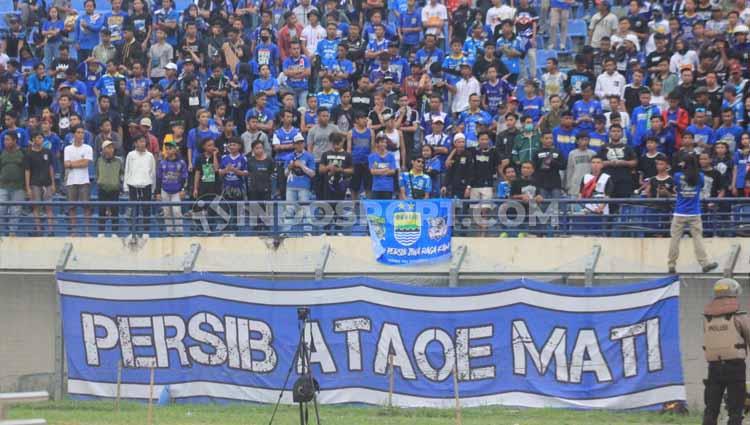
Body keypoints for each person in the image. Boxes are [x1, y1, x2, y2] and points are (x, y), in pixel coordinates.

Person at [701, 278, 750, 425]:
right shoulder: (739, 316)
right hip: (735, 367)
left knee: (711, 409)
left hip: (714, 368)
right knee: (736, 409)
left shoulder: (707, 318)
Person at [667, 155, 718, 274]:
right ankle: (704, 263)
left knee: (675, 239)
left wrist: (678, 166)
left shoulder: (678, 176)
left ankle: (671, 264)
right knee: (698, 238)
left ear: (684, 163)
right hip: (694, 212)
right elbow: (701, 187)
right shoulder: (700, 176)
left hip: (679, 212)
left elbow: (674, 183)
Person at [63, 125, 93, 234]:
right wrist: (79, 162)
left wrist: (72, 164)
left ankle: (87, 231)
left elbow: (85, 164)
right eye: (78, 132)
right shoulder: (67, 148)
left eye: (82, 132)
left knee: (86, 207)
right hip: (71, 181)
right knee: (71, 207)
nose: (81, 134)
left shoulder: (88, 148)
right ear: (74, 134)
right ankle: (73, 231)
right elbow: (66, 164)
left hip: (84, 181)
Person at [124, 134, 156, 236]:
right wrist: (126, 185)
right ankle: (133, 231)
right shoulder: (131, 155)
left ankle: (146, 231)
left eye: (144, 141)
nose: (142, 143)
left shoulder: (150, 156)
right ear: (135, 143)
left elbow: (152, 172)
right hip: (133, 184)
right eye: (140, 141)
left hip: (146, 184)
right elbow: (127, 170)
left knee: (146, 209)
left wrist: (153, 188)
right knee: (134, 209)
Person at [24, 132, 55, 234]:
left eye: (42, 138)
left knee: (49, 207)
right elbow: (27, 171)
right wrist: (28, 188)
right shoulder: (28, 154)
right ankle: (38, 230)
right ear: (33, 139)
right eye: (39, 137)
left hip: (47, 183)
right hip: (35, 184)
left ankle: (51, 231)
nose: (41, 139)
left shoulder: (47, 151)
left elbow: (51, 168)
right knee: (36, 207)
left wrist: (53, 183)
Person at [155, 141, 188, 234]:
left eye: (170, 148)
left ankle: (179, 231)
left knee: (177, 211)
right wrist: (157, 192)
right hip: (164, 190)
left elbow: (185, 178)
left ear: (175, 149)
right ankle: (170, 231)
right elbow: (159, 178)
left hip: (177, 191)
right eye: (166, 149)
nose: (168, 151)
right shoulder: (162, 163)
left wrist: (183, 190)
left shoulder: (181, 163)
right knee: (167, 212)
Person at [0, 132, 26, 236]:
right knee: (1, 210)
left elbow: (27, 170)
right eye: (4, 140)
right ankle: (1, 234)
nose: (5, 142)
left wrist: (26, 187)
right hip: (2, 186)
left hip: (18, 187)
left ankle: (12, 233)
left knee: (16, 211)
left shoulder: (23, 153)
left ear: (15, 141)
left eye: (8, 139)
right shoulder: (2, 153)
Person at [95, 140, 123, 235]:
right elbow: (97, 173)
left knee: (115, 212)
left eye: (112, 147)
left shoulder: (119, 161)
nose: (110, 149)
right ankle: (101, 233)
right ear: (103, 149)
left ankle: (115, 233)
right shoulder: (99, 160)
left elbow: (122, 174)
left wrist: (119, 184)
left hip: (114, 190)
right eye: (108, 147)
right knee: (101, 211)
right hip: (102, 189)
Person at [368, 135, 398, 200]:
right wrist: (385, 170)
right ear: (377, 144)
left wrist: (378, 171)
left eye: (385, 142)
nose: (384, 144)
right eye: (382, 142)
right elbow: (372, 172)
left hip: (388, 187)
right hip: (376, 187)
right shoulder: (372, 156)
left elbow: (393, 171)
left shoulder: (391, 156)